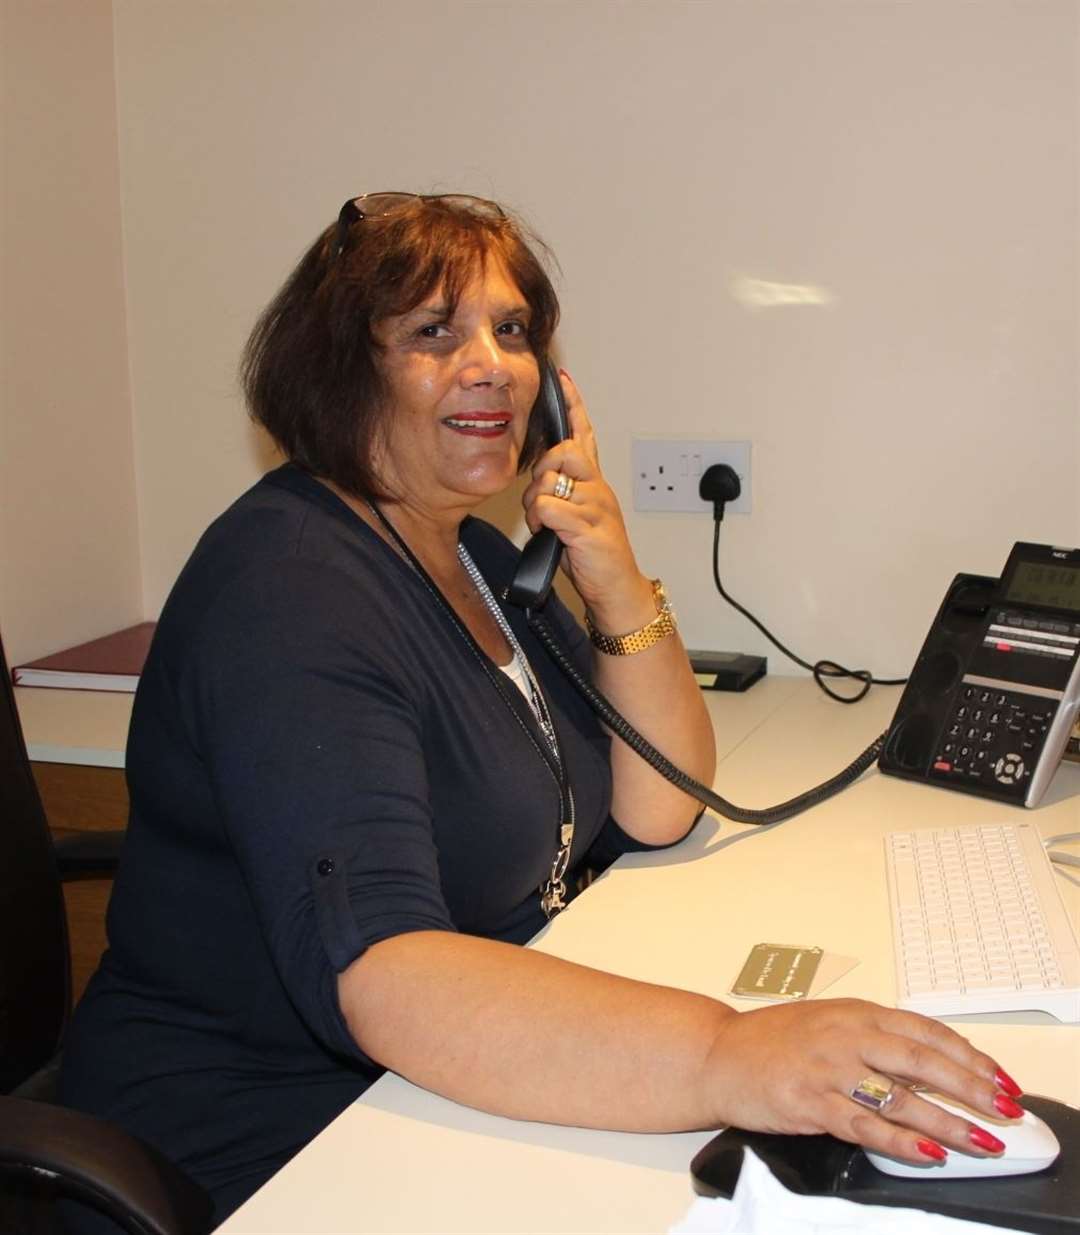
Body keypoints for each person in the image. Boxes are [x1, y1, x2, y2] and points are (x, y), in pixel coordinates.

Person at [60, 193, 1024, 1228]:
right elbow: (387, 971)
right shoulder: (291, 587)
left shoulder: (468, 554)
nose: (493, 364)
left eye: (512, 330)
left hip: (438, 1077)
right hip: (267, 1137)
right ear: (340, 366)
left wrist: (610, 571)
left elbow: (659, 806)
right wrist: (727, 1052)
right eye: (435, 332)